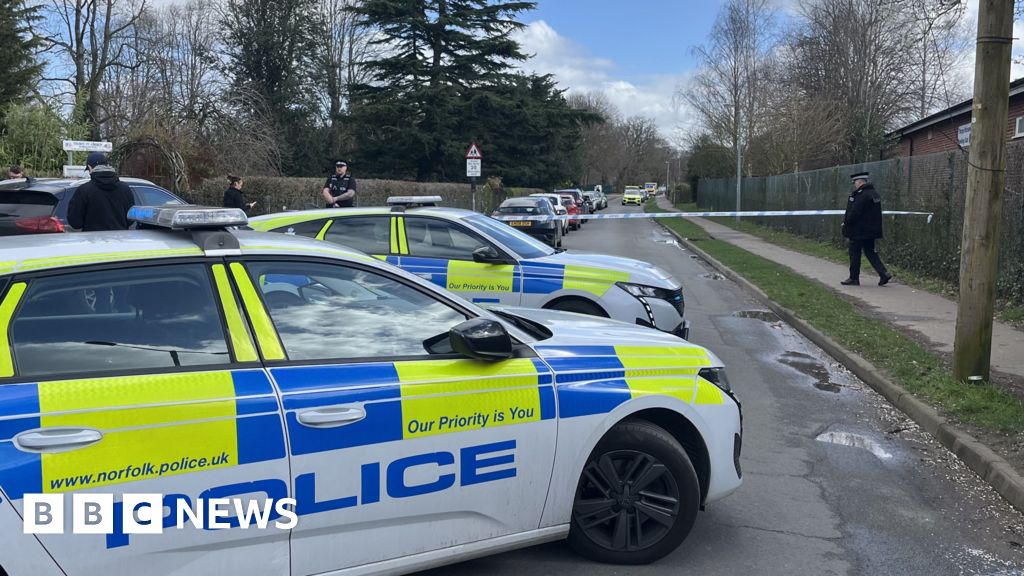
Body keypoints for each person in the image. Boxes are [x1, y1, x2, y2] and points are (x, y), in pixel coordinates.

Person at [842, 171, 892, 286]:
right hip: (871, 231)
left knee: (854, 253)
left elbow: (855, 212)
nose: (854, 185)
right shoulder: (874, 194)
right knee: (870, 252)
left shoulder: (861, 195)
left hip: (858, 230)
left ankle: (854, 278)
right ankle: (883, 273)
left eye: (855, 182)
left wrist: (847, 223)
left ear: (859, 182)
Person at [67, 152, 135, 232]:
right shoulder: (125, 189)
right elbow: (131, 218)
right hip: (120, 238)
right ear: (107, 165)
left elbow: (75, 222)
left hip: (92, 238)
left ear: (90, 167)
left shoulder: (84, 190)